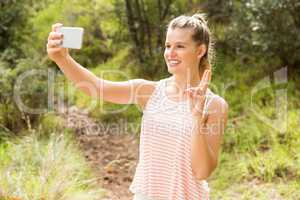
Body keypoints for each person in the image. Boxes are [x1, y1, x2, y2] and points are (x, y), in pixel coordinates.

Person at [47, 13, 228, 200]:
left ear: (200, 51)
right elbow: (97, 88)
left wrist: (197, 117)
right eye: (168, 46)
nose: (170, 53)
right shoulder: (149, 91)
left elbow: (202, 172)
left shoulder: (215, 106)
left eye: (180, 46)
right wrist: (62, 59)